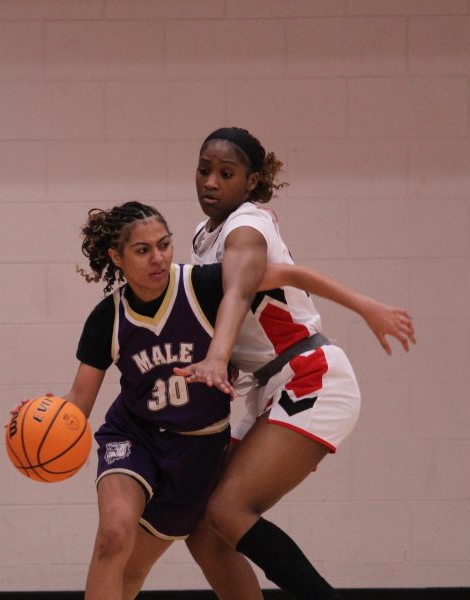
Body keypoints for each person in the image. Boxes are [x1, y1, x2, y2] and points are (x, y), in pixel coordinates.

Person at [175, 127, 416, 600]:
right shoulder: (203, 238)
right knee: (201, 522)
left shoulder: (248, 225)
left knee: (227, 508)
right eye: (204, 170)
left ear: (251, 181)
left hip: (312, 378)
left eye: (226, 173)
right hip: (273, 386)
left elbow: (242, 291)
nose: (210, 182)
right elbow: (288, 276)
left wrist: (218, 356)